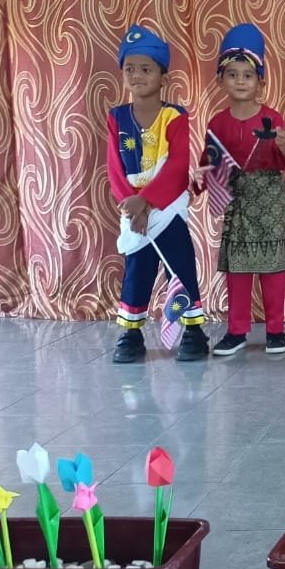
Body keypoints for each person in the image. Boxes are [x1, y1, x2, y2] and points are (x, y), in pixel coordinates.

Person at [194, 24, 285, 357]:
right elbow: (209, 164)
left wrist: (282, 146)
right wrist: (192, 187)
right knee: (237, 271)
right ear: (221, 80)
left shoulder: (272, 118)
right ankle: (237, 330)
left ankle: (275, 330)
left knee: (273, 271)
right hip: (237, 205)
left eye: (248, 75)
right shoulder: (217, 123)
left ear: (260, 82)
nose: (240, 81)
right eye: (232, 75)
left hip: (270, 204)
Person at [106, 24, 209, 363]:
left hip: (166, 207)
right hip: (133, 209)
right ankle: (131, 334)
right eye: (130, 69)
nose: (137, 75)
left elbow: (177, 165)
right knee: (137, 269)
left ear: (163, 77)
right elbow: (114, 167)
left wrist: (147, 201)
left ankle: (193, 330)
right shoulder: (117, 118)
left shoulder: (174, 116)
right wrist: (132, 205)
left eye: (146, 69)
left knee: (179, 266)